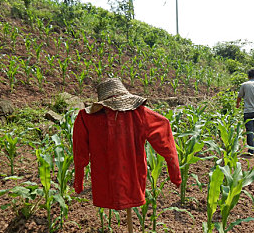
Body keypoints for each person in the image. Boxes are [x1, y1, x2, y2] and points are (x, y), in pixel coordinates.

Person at [73, 78, 181, 210]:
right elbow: (165, 132)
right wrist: (175, 175)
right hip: (132, 182)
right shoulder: (140, 114)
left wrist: (79, 183)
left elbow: (80, 154)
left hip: (105, 184)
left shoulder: (86, 118)